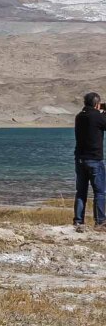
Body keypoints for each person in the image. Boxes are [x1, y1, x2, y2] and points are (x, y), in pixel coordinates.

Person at [73, 92, 106, 230]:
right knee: (100, 192)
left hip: (80, 159)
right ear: (97, 104)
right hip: (94, 160)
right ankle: (100, 222)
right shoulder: (98, 117)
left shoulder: (79, 116)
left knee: (81, 192)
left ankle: (78, 221)